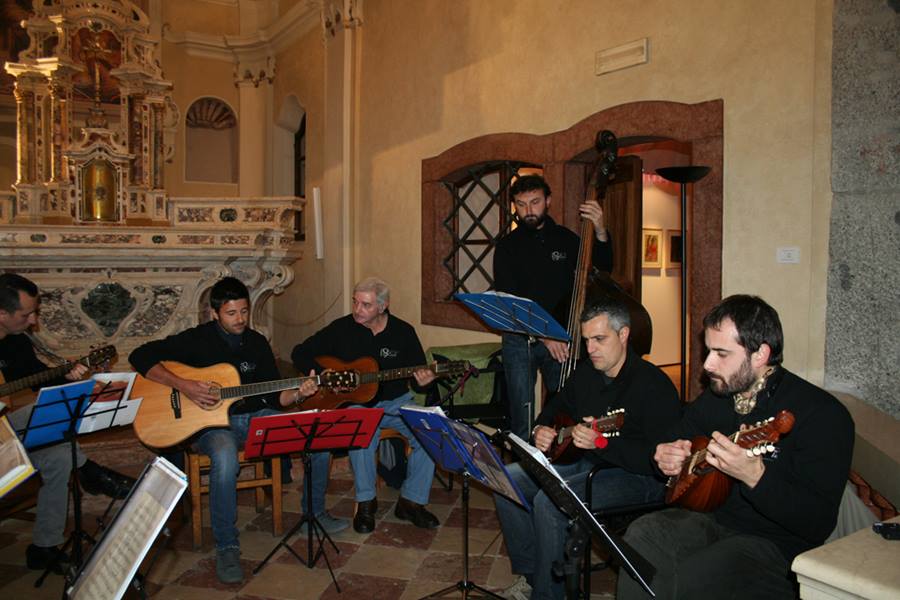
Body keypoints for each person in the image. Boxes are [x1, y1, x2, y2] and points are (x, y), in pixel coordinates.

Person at [617, 295, 855, 599]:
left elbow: (817, 523)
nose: (707, 364)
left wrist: (756, 477)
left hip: (777, 545)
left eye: (721, 353)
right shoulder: (719, 396)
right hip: (713, 518)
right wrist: (664, 456)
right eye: (708, 350)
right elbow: (677, 439)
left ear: (760, 355)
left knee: (687, 579)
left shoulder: (823, 415)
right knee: (641, 537)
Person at [129, 276, 331, 584]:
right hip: (210, 427)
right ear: (214, 313)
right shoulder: (195, 340)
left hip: (254, 418)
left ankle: (313, 514)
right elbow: (140, 355)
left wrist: (300, 393)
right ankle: (227, 545)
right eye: (231, 313)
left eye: (244, 312)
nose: (240, 320)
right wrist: (186, 386)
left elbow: (276, 397)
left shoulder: (257, 343)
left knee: (314, 437)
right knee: (225, 458)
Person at [495, 296, 681, 600]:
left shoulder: (654, 386)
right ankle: (532, 576)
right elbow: (556, 405)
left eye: (599, 339)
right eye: (586, 340)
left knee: (549, 502)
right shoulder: (586, 372)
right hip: (587, 461)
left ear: (623, 335)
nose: (590, 348)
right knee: (507, 480)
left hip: (639, 477)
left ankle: (549, 594)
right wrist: (542, 428)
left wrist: (602, 443)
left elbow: (657, 462)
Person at [0, 273, 134, 573]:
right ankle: (90, 472)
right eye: (27, 314)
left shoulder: (16, 343)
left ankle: (43, 549)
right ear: (2, 314)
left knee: (60, 456)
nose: (34, 320)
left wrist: (71, 376)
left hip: (3, 437)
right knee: (39, 412)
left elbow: (38, 379)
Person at [291, 277, 440, 534]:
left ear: (382, 307)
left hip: (396, 402)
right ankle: (366, 502)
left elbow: (418, 382)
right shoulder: (341, 328)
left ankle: (411, 502)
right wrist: (324, 374)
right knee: (361, 429)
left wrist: (425, 381)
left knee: (430, 430)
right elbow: (299, 352)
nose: (358, 310)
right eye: (355, 302)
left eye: (366, 305)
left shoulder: (403, 332)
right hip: (357, 406)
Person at [492, 174, 613, 440]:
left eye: (535, 202)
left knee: (563, 409)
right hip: (519, 337)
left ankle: (555, 469)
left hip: (561, 334)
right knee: (521, 414)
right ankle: (523, 473)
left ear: (548, 201)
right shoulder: (507, 247)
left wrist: (601, 229)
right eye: (521, 204)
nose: (528, 210)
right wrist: (544, 336)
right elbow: (511, 300)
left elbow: (603, 269)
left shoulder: (565, 239)